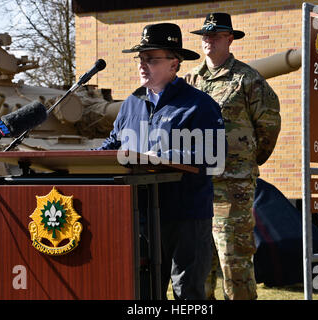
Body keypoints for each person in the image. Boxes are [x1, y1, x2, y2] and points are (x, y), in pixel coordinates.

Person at [97, 22, 225, 300]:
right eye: (140, 59)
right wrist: (89, 160)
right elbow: (114, 143)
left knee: (188, 293)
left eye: (151, 59)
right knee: (142, 291)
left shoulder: (198, 105)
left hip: (185, 216)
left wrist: (160, 158)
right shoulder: (131, 103)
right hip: (139, 214)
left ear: (174, 63)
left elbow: (212, 157)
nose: (143, 65)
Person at [185, 12, 281, 300]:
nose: (208, 40)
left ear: (230, 39)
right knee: (199, 263)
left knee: (233, 260)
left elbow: (268, 126)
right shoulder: (191, 80)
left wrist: (244, 163)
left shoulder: (247, 79)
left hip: (233, 186)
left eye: (215, 35)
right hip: (197, 184)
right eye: (205, 35)